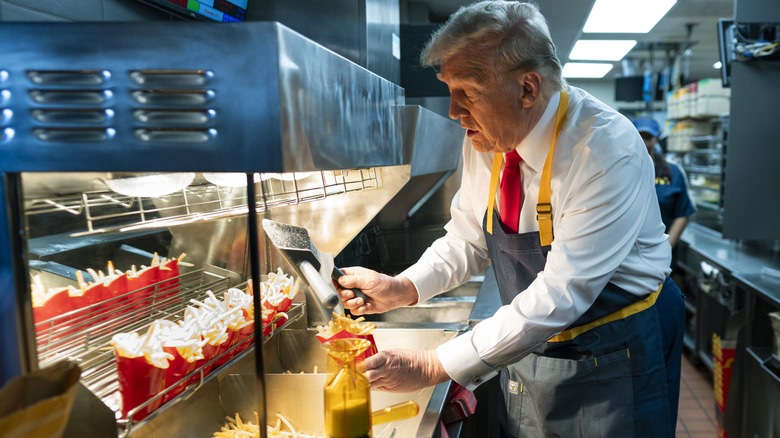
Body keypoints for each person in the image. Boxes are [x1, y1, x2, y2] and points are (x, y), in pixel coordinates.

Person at [336, 2, 685, 437]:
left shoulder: (604, 149)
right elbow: (467, 237)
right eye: (449, 89)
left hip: (616, 344)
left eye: (469, 91)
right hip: (537, 338)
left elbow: (562, 293)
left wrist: (434, 364)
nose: (453, 110)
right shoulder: (490, 135)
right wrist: (403, 288)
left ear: (527, 88)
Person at [634, 116, 695, 249]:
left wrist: (665, 250)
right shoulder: (624, 170)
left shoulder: (673, 172)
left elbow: (682, 214)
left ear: (656, 139)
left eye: (648, 137)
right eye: (640, 136)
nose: (644, 142)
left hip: (662, 249)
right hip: (628, 252)